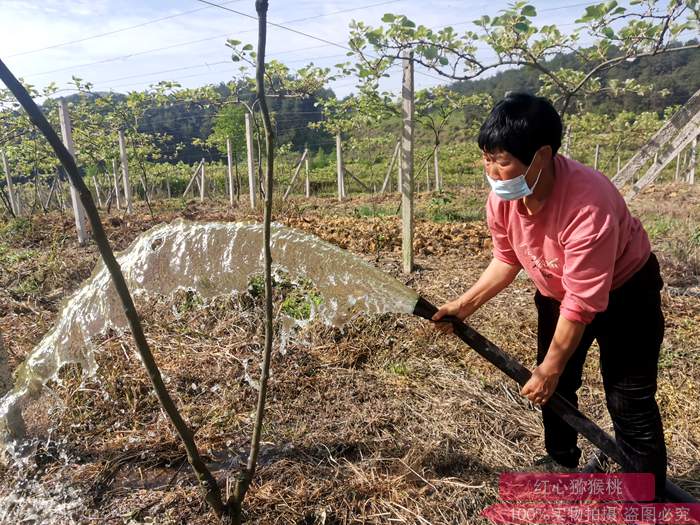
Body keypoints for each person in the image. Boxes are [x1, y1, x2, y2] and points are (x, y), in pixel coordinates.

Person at [432, 92, 667, 498]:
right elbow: (506, 259)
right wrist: (463, 306)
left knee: (629, 400)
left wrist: (551, 365)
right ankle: (562, 460)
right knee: (556, 388)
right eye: (487, 158)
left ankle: (644, 495)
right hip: (558, 292)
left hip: (628, 294)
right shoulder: (502, 200)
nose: (491, 172)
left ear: (542, 155)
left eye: (501, 161)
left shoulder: (588, 204)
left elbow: (583, 301)